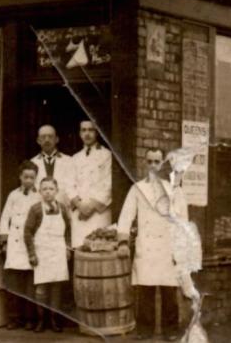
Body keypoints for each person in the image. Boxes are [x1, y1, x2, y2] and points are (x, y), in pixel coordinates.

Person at [117, 148, 187, 341]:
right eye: (150, 162)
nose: (153, 166)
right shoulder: (136, 188)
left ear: (162, 164)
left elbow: (182, 218)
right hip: (146, 244)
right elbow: (126, 216)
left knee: (168, 289)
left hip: (167, 245)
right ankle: (145, 329)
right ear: (144, 163)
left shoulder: (173, 189)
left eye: (157, 162)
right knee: (145, 289)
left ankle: (171, 329)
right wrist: (123, 241)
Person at [24, 177, 72, 333]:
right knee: (41, 288)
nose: (48, 192)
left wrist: (67, 248)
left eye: (51, 189)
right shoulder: (35, 209)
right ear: (40, 191)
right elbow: (27, 232)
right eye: (44, 189)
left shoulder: (63, 208)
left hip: (58, 250)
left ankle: (54, 320)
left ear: (56, 191)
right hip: (41, 251)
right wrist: (32, 254)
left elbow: (68, 230)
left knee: (57, 286)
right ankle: (41, 320)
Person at [0, 161, 40, 330]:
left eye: (32, 177)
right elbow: (5, 217)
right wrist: (4, 239)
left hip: (31, 243)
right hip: (15, 243)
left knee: (31, 285)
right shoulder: (13, 195)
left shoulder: (39, 196)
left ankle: (30, 318)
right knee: (14, 283)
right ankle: (14, 318)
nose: (29, 180)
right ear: (20, 177)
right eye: (26, 177)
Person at [70, 120, 113, 248]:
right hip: (79, 213)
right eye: (84, 130)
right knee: (79, 249)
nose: (87, 134)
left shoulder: (106, 155)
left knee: (99, 249)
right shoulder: (75, 158)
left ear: (97, 132)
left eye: (91, 130)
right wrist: (79, 205)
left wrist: (90, 208)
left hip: (98, 213)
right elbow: (69, 184)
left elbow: (108, 184)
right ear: (80, 133)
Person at [31, 125, 76, 208]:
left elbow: (72, 186)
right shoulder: (33, 162)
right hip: (40, 211)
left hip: (64, 209)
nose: (47, 140)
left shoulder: (69, 161)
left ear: (56, 139)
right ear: (38, 140)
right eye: (43, 137)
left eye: (50, 136)